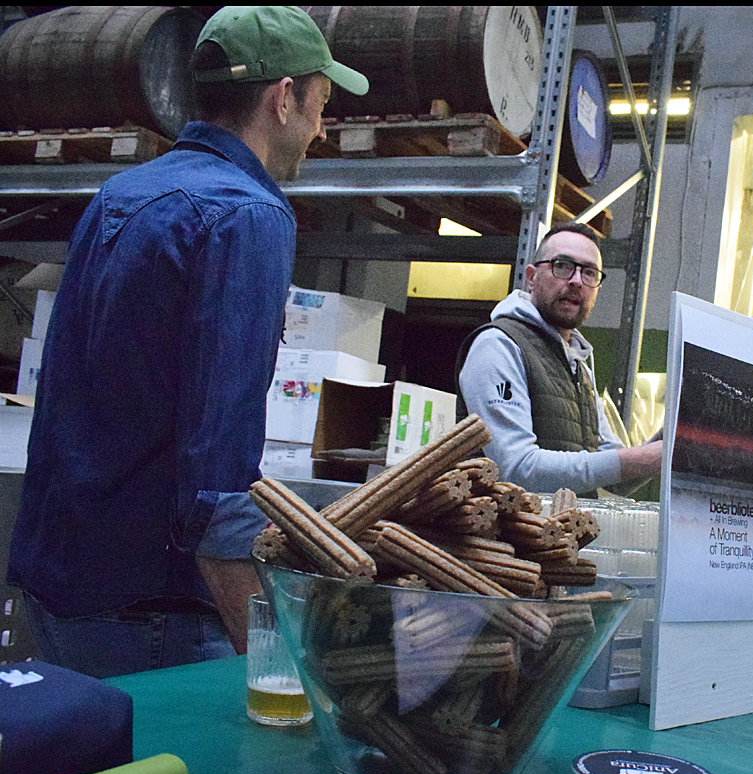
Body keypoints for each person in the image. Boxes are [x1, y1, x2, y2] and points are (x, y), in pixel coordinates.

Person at [6, 6, 368, 678]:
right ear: (282, 98)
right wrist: (262, 646)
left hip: (58, 584)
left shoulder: (121, 193)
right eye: (321, 104)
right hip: (156, 605)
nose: (321, 128)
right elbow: (219, 444)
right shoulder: (248, 215)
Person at [456, 222, 662, 496]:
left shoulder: (578, 364)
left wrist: (672, 442)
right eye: (562, 266)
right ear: (532, 277)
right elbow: (516, 469)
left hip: (563, 524)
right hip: (505, 524)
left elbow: (615, 478)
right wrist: (647, 457)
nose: (576, 281)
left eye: (589, 272)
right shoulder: (499, 345)